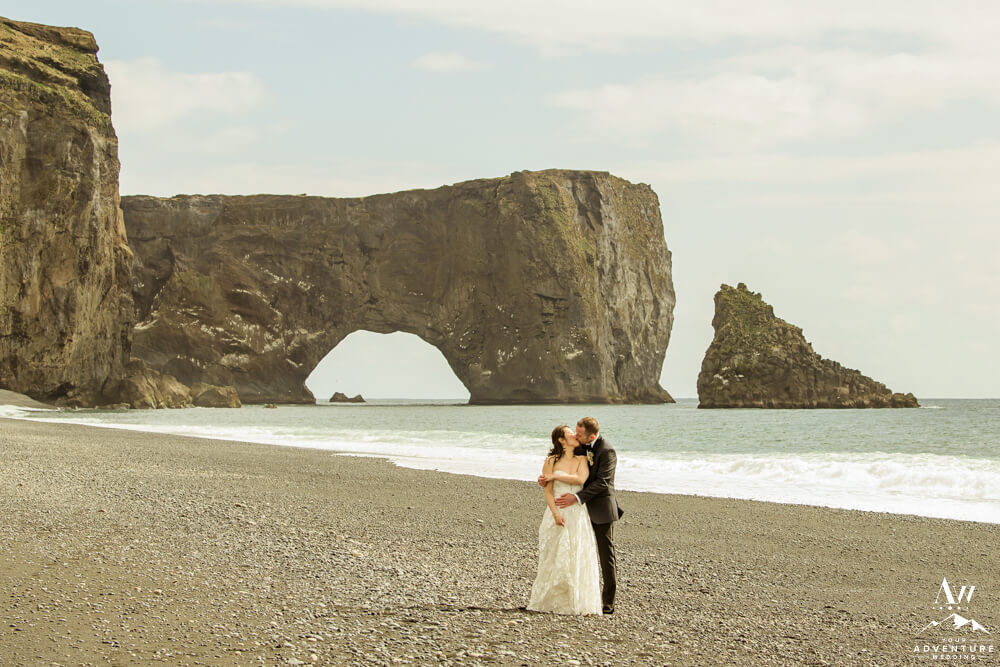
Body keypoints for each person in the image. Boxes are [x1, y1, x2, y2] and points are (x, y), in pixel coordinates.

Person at [546, 417, 622, 615]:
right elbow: (565, 460)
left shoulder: (607, 451)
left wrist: (577, 497)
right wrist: (547, 478)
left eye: (579, 434)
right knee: (576, 551)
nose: (576, 436)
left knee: (605, 554)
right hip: (577, 510)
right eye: (575, 432)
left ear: (592, 436)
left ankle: (608, 602)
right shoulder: (580, 446)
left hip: (600, 507)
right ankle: (571, 596)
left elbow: (603, 482)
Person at [526, 425, 602, 615]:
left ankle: (576, 601)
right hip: (557, 511)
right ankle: (552, 601)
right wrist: (555, 514)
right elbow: (548, 491)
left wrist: (553, 476)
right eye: (570, 433)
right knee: (555, 554)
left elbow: (580, 479)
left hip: (576, 512)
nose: (575, 435)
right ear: (561, 440)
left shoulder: (581, 459)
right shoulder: (551, 460)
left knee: (577, 552)